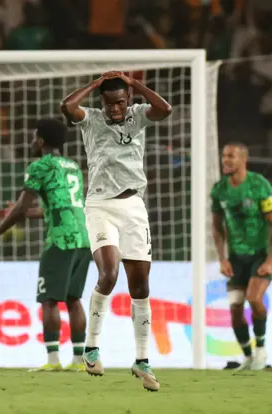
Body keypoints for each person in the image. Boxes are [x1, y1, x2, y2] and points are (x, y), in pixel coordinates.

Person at [60, 71, 172, 391]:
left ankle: (142, 359)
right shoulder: (91, 119)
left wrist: (135, 85)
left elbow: (165, 110)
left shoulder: (138, 115)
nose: (115, 109)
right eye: (109, 104)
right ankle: (91, 348)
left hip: (133, 207)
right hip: (100, 206)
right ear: (102, 102)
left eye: (120, 103)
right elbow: (67, 106)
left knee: (140, 285)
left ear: (128, 101)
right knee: (108, 275)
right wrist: (95, 85)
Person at [0, 119, 91, 372]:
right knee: (74, 299)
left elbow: (21, 207)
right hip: (83, 238)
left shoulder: (39, 167)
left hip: (60, 240)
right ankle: (78, 361)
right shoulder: (72, 166)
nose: (31, 142)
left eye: (33, 137)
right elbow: (58, 207)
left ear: (40, 141)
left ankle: (53, 361)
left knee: (49, 299)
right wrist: (21, 213)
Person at [210, 143, 272, 371]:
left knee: (254, 298)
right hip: (236, 258)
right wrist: (222, 258)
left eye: (230, 156)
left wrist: (270, 260)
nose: (225, 160)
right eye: (224, 156)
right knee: (235, 310)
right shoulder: (219, 190)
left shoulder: (260, 185)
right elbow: (217, 227)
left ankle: (261, 349)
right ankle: (249, 357)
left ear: (243, 159)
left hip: (259, 255)